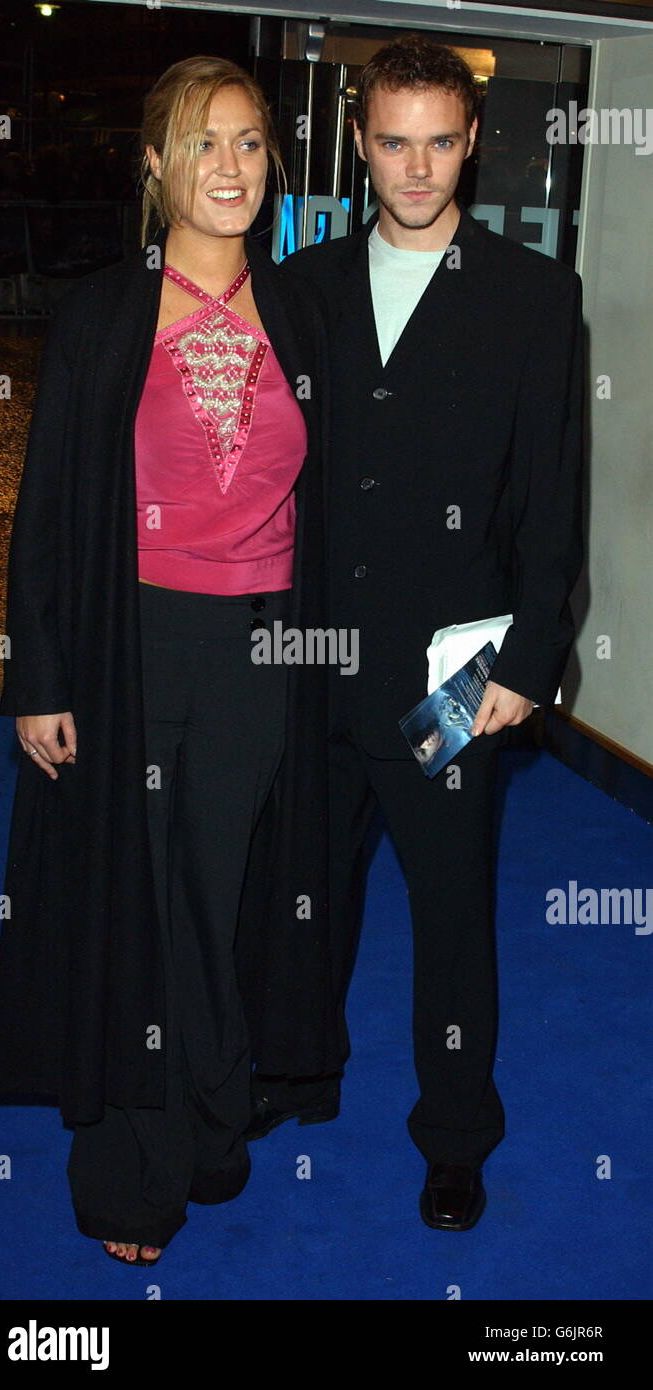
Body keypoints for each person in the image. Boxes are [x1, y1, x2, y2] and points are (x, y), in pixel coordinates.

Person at [0, 56, 337, 1266]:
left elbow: (358, 494)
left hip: (259, 649)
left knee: (213, 889)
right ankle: (134, 1167)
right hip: (127, 641)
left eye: (248, 143)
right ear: (154, 166)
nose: (229, 167)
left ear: (272, 165)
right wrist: (37, 675)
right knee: (131, 901)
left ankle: (208, 1104)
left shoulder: (304, 310)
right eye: (201, 144)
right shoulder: (98, 315)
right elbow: (43, 517)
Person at [249, 35, 584, 1232]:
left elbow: (552, 494)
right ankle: (298, 1073)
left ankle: (453, 1137)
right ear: (357, 141)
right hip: (309, 661)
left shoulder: (534, 298)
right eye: (393, 140)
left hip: (453, 674)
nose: (415, 166)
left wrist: (529, 661)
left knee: (449, 919)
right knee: (302, 894)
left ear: (470, 142)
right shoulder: (302, 287)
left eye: (439, 141)